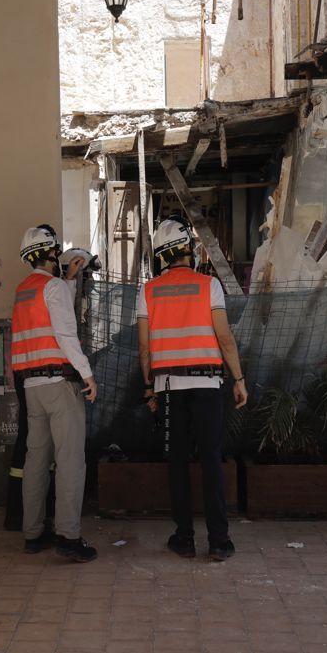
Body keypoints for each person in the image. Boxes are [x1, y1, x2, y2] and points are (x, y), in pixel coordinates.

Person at [137, 215, 248, 562]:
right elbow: (224, 338)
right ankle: (218, 541)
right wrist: (239, 379)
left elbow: (145, 348)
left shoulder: (148, 290)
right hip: (208, 385)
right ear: (188, 249)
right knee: (211, 461)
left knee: (178, 464)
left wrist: (148, 387)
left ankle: (184, 537)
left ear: (161, 255)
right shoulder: (209, 285)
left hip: (169, 388)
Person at [12, 224, 98, 562]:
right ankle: (68, 535)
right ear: (51, 254)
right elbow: (64, 333)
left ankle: (33, 533)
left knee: (36, 460)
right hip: (60, 385)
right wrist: (87, 374)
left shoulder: (24, 290)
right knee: (70, 461)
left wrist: (70, 280)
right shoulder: (53, 288)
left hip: (31, 388)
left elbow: (46, 318)